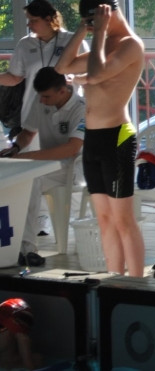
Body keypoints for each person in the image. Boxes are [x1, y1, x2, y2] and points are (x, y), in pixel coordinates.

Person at [56, 0, 146, 277]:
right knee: (104, 219)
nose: (92, 28)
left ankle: (135, 282)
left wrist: (99, 36)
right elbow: (61, 67)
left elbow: (96, 73)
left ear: (107, 13)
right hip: (92, 139)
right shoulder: (99, 42)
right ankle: (114, 279)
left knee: (123, 220)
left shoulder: (130, 44)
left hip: (117, 137)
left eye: (92, 21)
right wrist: (82, 32)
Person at [0, 67, 85, 268]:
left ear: (63, 91)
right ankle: (11, 244)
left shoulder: (81, 108)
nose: (42, 101)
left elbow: (72, 148)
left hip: (76, 167)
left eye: (47, 96)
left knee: (31, 180)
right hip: (48, 164)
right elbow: (28, 133)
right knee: (17, 180)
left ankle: (27, 248)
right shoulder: (43, 101)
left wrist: (28, 156)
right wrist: (16, 148)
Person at [0, 0, 86, 146]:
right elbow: (14, 77)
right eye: (28, 20)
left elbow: (92, 73)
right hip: (33, 116)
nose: (29, 25)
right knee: (35, 163)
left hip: (68, 112)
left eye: (33, 20)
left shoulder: (72, 40)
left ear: (48, 19)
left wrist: (75, 78)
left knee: (65, 158)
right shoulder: (25, 44)